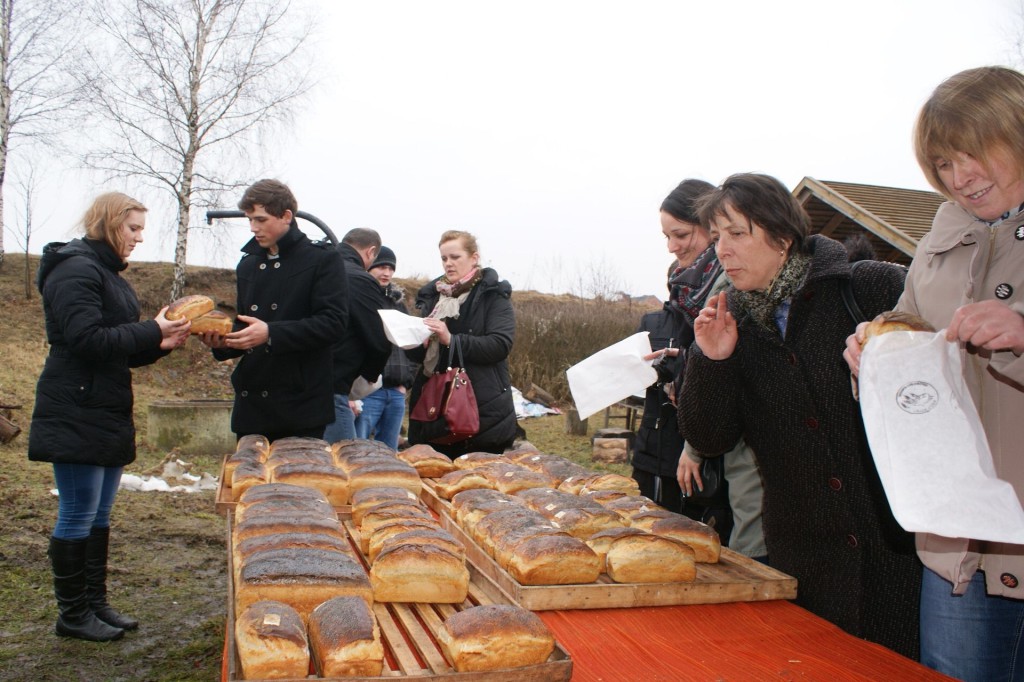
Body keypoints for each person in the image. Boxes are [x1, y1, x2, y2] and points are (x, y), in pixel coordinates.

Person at [677, 172, 921, 659]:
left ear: (783, 236)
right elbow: (709, 436)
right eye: (717, 237)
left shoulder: (868, 286)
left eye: (737, 233)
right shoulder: (732, 320)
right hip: (803, 559)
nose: (723, 250)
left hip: (894, 549)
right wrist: (712, 360)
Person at [844, 66, 1024, 681]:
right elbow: (910, 327)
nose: (960, 176)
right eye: (944, 163)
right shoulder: (937, 241)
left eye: (975, 152)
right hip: (960, 541)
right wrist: (876, 351)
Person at [28, 192, 191, 641]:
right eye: (133, 228)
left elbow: (116, 349)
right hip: (76, 405)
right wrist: (151, 329)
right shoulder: (75, 269)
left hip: (104, 404)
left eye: (141, 229)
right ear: (109, 222)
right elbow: (86, 340)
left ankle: (94, 604)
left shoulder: (106, 273)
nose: (139, 237)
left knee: (99, 513)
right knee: (78, 512)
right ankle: (73, 614)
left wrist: (158, 344)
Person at [199, 179, 347, 442]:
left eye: (261, 219)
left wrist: (270, 333)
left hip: (300, 406)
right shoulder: (247, 265)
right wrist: (224, 342)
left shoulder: (322, 259)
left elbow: (333, 323)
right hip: (252, 406)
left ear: (286, 216)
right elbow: (247, 325)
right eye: (250, 220)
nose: (253, 228)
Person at [406, 230, 516, 457]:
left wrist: (451, 340)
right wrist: (415, 343)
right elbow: (424, 359)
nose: (448, 263)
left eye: (455, 257)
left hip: (481, 409)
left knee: (477, 478)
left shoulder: (493, 296)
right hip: (434, 409)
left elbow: (500, 345)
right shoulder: (433, 298)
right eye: (444, 258)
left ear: (474, 258)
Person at [322, 228, 392, 444]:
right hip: (333, 384)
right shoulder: (359, 279)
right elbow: (378, 338)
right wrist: (370, 374)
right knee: (343, 457)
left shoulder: (317, 268)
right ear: (371, 252)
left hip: (300, 383)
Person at [354, 246, 415, 449]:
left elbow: (410, 344)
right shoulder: (361, 298)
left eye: (390, 268)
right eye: (381, 267)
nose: (386, 273)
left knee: (390, 453)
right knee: (358, 448)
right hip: (368, 390)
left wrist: (406, 381)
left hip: (396, 391)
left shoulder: (398, 304)